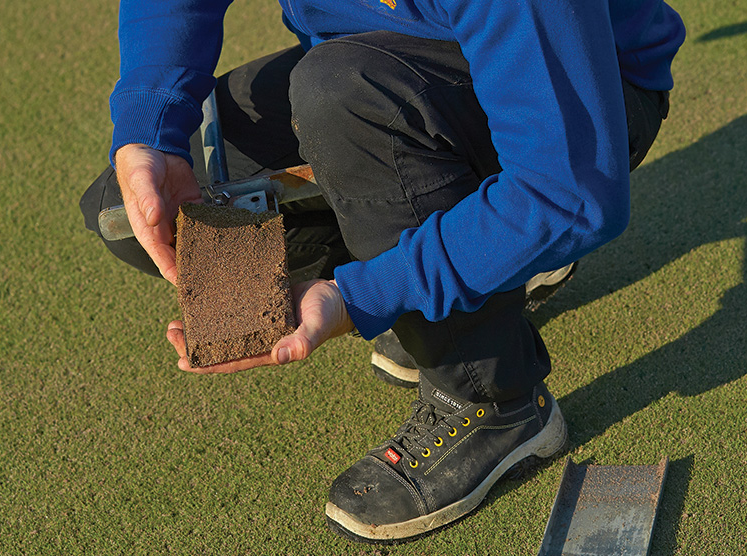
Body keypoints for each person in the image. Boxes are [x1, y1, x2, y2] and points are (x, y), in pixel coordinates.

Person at [80, 0, 685, 543]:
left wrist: (360, 295)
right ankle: (493, 250)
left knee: (342, 92)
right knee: (128, 205)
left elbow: (570, 194)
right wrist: (148, 132)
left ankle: (494, 403)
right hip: (374, 61)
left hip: (585, 92)